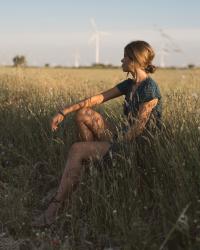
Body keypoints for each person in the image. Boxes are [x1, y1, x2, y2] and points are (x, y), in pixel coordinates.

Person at [33, 40, 162, 227]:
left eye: (125, 56)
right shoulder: (130, 84)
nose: (121, 60)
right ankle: (93, 166)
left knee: (77, 149)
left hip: (137, 146)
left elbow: (139, 128)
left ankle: (55, 208)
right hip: (123, 137)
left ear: (134, 60)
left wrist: (115, 143)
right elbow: (98, 98)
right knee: (84, 113)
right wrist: (63, 112)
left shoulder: (149, 88)